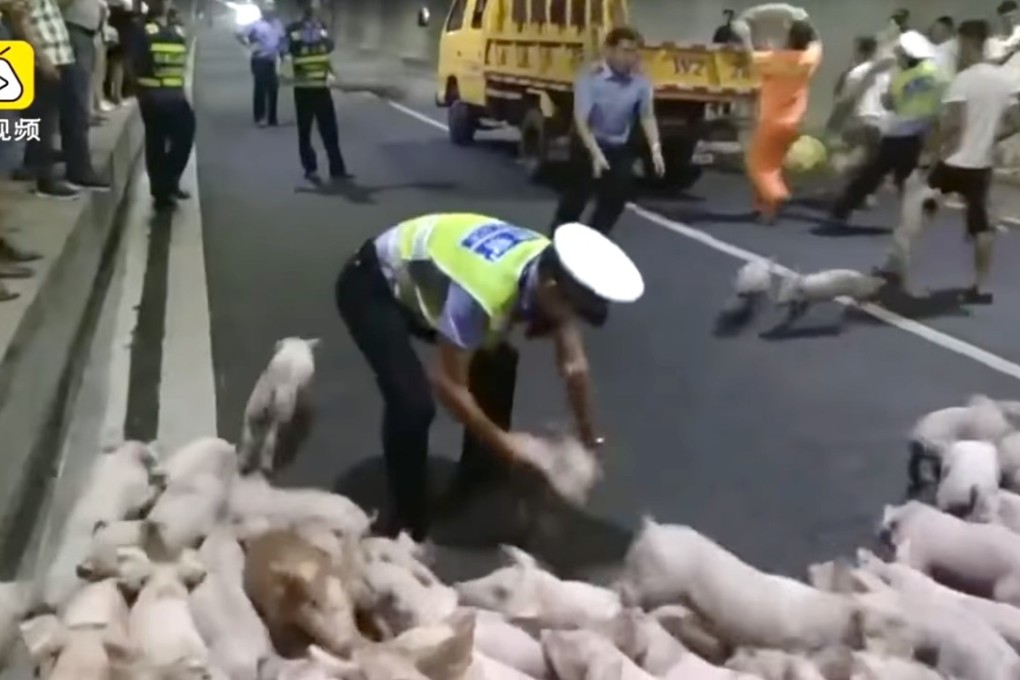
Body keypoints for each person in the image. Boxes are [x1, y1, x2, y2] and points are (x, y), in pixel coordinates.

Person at [334, 214, 644, 540]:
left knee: (499, 364)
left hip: (436, 287)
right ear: (552, 288)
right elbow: (450, 385)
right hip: (373, 287)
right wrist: (510, 448)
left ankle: (478, 475)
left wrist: (589, 438)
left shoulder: (551, 264)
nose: (571, 322)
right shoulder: (482, 292)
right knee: (412, 403)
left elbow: (574, 367)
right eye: (571, 312)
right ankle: (405, 521)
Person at [877, 20, 1020, 303]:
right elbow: (1016, 121)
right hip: (980, 167)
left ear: (968, 43)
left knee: (917, 212)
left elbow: (953, 124)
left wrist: (928, 155)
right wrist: (990, 137)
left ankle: (896, 270)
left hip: (952, 163)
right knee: (980, 226)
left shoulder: (964, 79)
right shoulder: (1007, 81)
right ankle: (980, 286)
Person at [549, 26, 663, 237]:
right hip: (587, 144)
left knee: (616, 198)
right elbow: (582, 120)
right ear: (608, 50)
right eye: (625, 50)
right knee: (576, 199)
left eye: (634, 52)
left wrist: (656, 149)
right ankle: (555, 243)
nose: (630, 58)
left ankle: (594, 241)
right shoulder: (590, 77)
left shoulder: (640, 81)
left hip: (618, 146)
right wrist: (595, 154)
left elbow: (647, 115)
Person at [829, 31, 944, 225]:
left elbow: (890, 103)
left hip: (896, 132)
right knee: (902, 176)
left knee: (874, 173)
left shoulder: (901, 78)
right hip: (916, 133)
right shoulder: (933, 74)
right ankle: (924, 204)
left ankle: (842, 208)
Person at [733, 3, 822, 224]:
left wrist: (745, 34)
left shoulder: (775, 59)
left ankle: (777, 196)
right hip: (794, 121)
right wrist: (801, 18)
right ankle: (766, 211)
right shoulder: (809, 58)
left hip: (772, 121)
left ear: (789, 37)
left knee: (758, 165)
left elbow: (749, 57)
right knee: (772, 165)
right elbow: (817, 41)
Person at [16, 0, 109, 197]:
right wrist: (40, 57)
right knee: (43, 120)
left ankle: (61, 174)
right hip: (44, 56)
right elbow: (19, 19)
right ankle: (44, 180)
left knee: (54, 116)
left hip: (58, 54)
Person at [127, 0, 194, 210]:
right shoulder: (141, 28)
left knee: (184, 135)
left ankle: (168, 183)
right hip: (152, 95)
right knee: (156, 141)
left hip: (175, 94)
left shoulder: (177, 25)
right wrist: (140, 91)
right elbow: (133, 63)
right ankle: (161, 191)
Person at [285, 0, 349, 184]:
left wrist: (332, 72)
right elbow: (290, 52)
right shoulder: (293, 30)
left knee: (330, 130)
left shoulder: (321, 27)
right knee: (305, 132)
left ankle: (337, 168)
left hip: (321, 87)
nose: (317, 6)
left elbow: (328, 48)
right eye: (314, 4)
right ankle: (310, 168)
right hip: (304, 88)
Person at [826, 36, 889, 202]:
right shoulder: (885, 74)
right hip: (882, 121)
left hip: (861, 118)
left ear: (860, 51)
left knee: (856, 157)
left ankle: (845, 175)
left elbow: (845, 100)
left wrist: (834, 123)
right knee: (871, 159)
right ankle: (865, 195)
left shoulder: (856, 73)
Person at [238, 0, 284, 127]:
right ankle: (260, 117)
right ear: (262, 10)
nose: (270, 9)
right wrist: (249, 45)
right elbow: (240, 34)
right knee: (260, 88)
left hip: (273, 59)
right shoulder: (256, 25)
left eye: (272, 7)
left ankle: (272, 117)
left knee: (274, 88)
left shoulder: (277, 24)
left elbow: (282, 40)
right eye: (267, 7)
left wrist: (283, 54)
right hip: (260, 59)